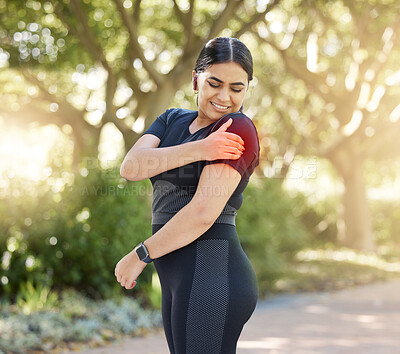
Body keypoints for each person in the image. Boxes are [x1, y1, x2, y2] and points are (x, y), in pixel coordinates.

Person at [115, 37, 260, 354]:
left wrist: (141, 254)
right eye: (215, 83)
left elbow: (203, 213)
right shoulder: (171, 119)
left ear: (247, 89)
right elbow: (131, 167)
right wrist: (200, 149)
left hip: (214, 276)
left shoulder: (237, 127)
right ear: (196, 79)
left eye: (236, 88)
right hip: (179, 279)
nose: (224, 97)